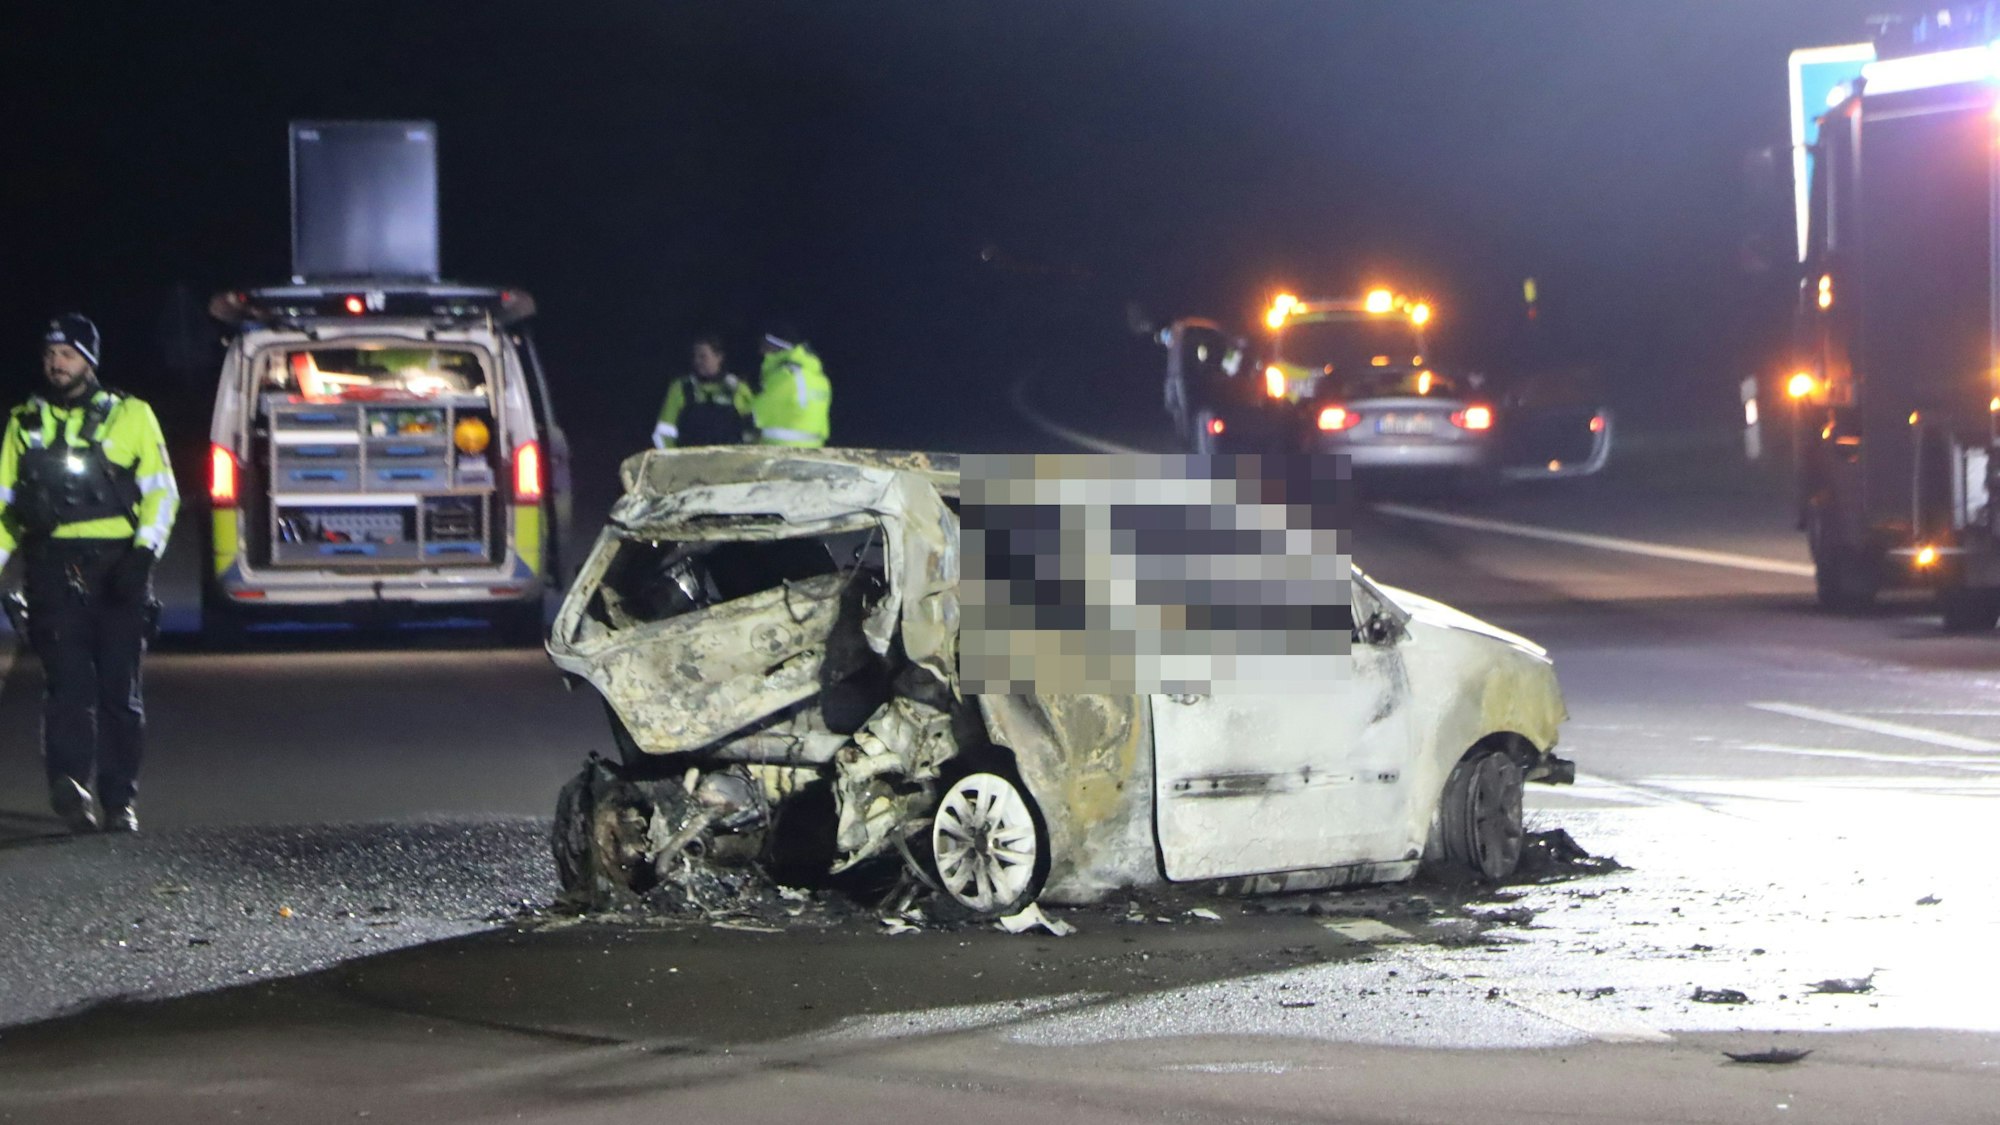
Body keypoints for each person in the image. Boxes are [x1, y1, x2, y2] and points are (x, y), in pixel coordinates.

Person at [0, 315, 179, 833]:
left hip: (118, 568)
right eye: (50, 354)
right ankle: (71, 789)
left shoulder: (133, 415)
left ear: (90, 360)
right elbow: (6, 509)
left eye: (68, 354)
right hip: (52, 571)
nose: (56, 363)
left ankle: (119, 800)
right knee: (67, 689)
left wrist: (143, 556)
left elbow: (162, 493)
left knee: (120, 695)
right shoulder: (22, 423)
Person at [653, 334, 755, 449]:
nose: (697, 361)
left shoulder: (737, 389)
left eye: (703, 356)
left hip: (728, 464)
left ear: (719, 357)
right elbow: (664, 431)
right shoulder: (681, 388)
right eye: (694, 356)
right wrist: (671, 461)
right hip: (690, 463)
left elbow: (752, 432)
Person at [751, 324, 831, 447]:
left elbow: (754, 415)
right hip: (814, 452)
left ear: (777, 347)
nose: (761, 351)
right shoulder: (818, 377)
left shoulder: (786, 377)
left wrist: (738, 391)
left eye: (764, 346)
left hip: (782, 452)